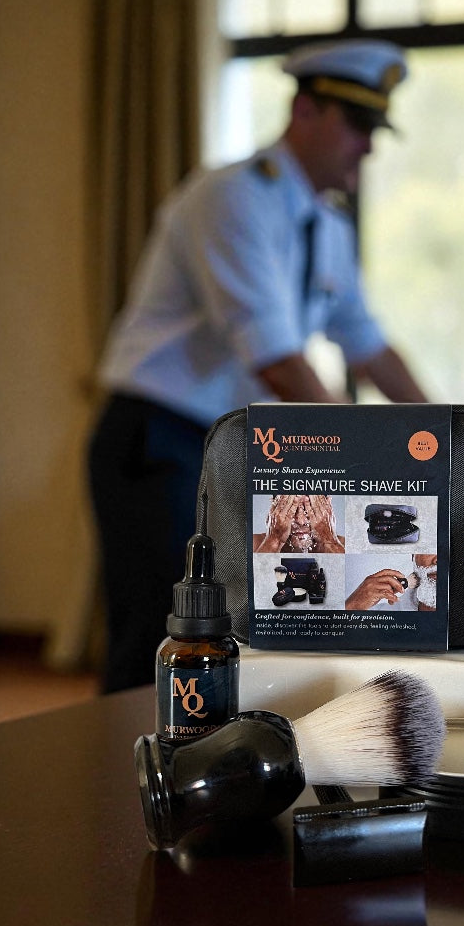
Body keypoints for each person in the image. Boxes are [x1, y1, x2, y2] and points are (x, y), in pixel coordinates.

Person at [88, 39, 428, 693]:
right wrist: (371, 456)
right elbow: (276, 360)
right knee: (160, 637)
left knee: (226, 634)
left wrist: (449, 437)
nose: (369, 147)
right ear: (305, 110)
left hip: (227, 450)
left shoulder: (326, 227)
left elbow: (368, 344)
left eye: (375, 129)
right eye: (357, 126)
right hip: (159, 440)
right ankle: (124, 785)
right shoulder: (232, 198)